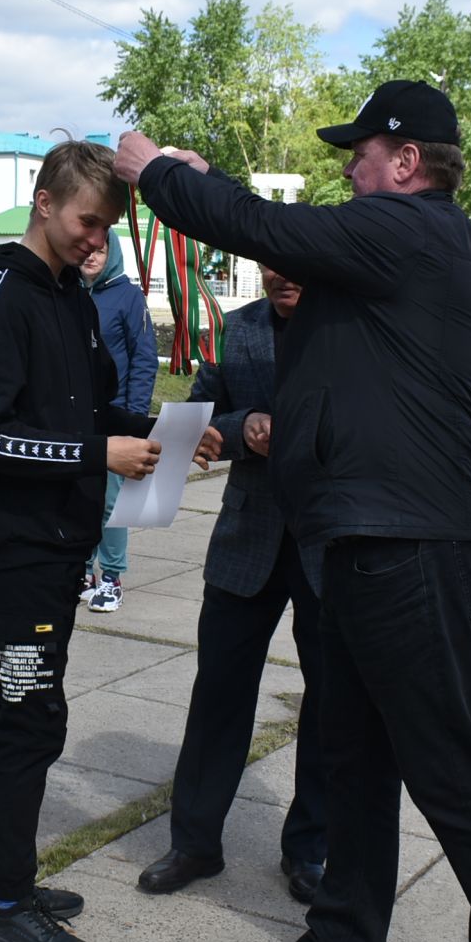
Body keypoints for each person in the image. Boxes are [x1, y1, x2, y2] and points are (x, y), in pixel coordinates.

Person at [115, 79, 471, 942]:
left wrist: (158, 176)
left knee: (448, 768)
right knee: (350, 755)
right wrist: (202, 180)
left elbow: (265, 224)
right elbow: (277, 254)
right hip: (357, 542)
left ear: (405, 161)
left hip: (420, 546)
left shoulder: (419, 232)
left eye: (361, 151)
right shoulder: (372, 265)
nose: (348, 167)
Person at [0, 139, 162, 942]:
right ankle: (5, 905)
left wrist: (159, 433)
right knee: (31, 715)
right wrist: (97, 456)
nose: (94, 239)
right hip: (18, 548)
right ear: (45, 201)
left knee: (17, 712)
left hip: (60, 540)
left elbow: (94, 407)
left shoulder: (74, 295)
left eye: (107, 227)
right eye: (86, 221)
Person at [138, 263, 327, 905]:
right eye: (268, 263)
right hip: (247, 542)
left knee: (331, 701)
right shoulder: (236, 331)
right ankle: (194, 843)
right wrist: (243, 426)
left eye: (290, 261)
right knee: (217, 693)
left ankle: (310, 850)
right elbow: (199, 412)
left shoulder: (351, 327)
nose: (280, 275)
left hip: (331, 543)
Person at [80, 235, 157, 613]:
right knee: (78, 497)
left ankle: (111, 577)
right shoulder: (69, 291)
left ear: (111, 253)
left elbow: (144, 360)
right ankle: (83, 571)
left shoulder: (128, 296)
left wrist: (135, 420)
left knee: (111, 503)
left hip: (115, 416)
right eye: (87, 249)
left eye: (100, 250)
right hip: (76, 418)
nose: (92, 256)